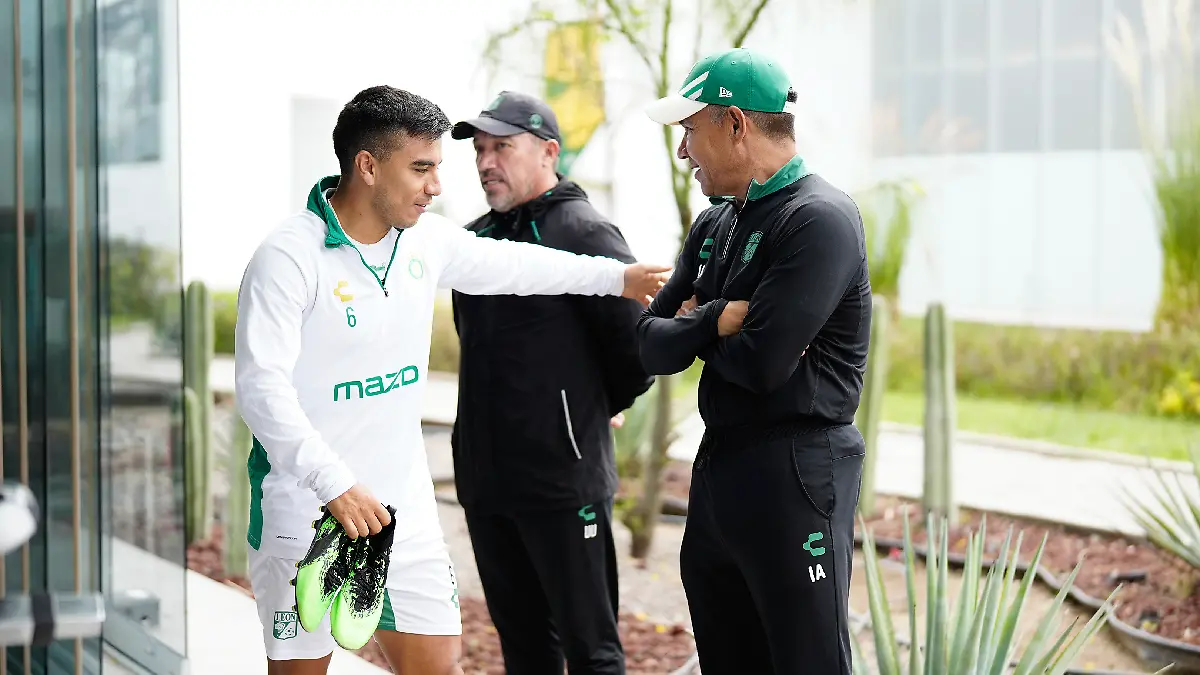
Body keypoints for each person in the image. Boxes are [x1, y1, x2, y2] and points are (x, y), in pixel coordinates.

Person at [234, 84, 670, 675]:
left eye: (438, 167)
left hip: (403, 515)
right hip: (306, 510)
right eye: (421, 169)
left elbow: (520, 266)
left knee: (440, 667)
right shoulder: (288, 257)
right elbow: (261, 390)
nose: (436, 186)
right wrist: (333, 483)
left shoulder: (427, 241)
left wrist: (619, 279)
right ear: (368, 166)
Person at [636, 48, 871, 675]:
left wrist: (689, 325)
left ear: (735, 124)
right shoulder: (714, 223)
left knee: (806, 662)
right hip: (721, 468)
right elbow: (646, 344)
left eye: (690, 130)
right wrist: (716, 318)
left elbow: (762, 364)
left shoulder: (818, 218)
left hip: (796, 468)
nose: (682, 151)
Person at [446, 91, 653, 675]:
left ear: (548, 152)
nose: (486, 162)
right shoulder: (472, 242)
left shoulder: (585, 232)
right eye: (479, 150)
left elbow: (636, 346)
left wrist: (591, 407)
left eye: (502, 147)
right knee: (525, 651)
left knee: (592, 653)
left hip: (563, 483)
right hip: (488, 484)